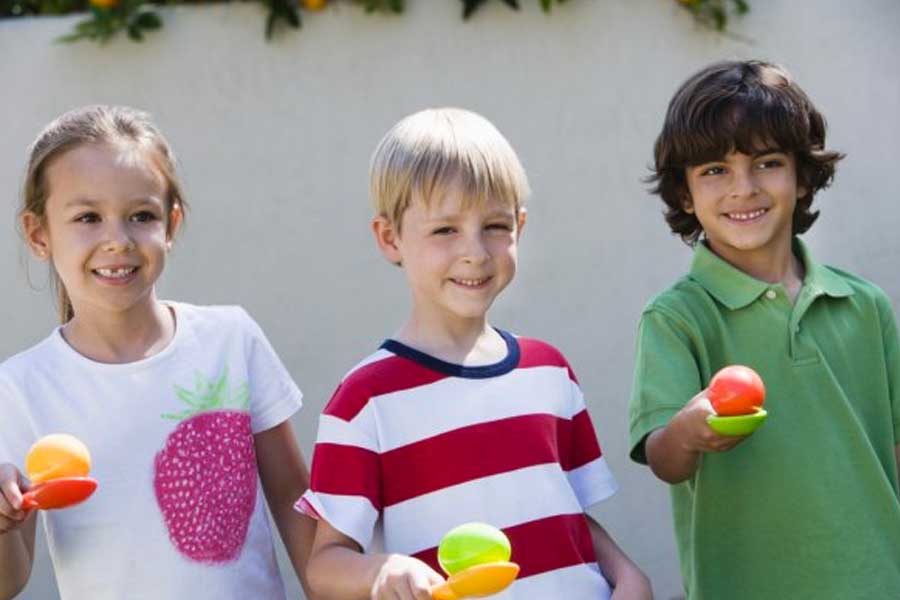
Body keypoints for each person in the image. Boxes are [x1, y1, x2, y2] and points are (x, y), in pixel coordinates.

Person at [298, 107, 652, 600]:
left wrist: (627, 574)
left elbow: (567, 515)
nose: (476, 252)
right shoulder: (363, 400)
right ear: (389, 237)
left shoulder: (549, 371)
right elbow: (323, 567)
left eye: (494, 226)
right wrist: (382, 573)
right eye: (445, 230)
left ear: (520, 227)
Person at [0, 105, 315, 599]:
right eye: (88, 217)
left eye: (140, 216)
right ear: (39, 234)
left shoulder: (231, 339)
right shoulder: (19, 387)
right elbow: (8, 580)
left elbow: (302, 514)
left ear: (171, 224)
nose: (117, 240)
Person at [628, 60, 900, 599]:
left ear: (802, 177)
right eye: (714, 171)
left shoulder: (865, 305)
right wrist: (688, 429)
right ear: (684, 194)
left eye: (767, 162)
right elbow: (663, 458)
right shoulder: (678, 317)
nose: (743, 188)